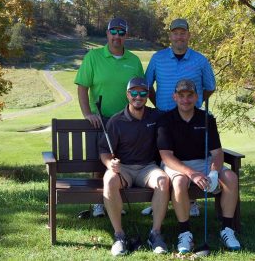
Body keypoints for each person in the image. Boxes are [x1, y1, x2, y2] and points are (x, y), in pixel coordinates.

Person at [143, 18, 216, 217]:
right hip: (164, 115)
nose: (179, 36)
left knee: (187, 155)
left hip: (189, 116)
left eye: (182, 32)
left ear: (188, 35)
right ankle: (158, 199)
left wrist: (194, 102)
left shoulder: (200, 60)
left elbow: (210, 87)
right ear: (170, 36)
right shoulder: (158, 58)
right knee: (160, 156)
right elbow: (147, 85)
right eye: (175, 33)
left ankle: (191, 201)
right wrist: (157, 103)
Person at [157, 79, 241, 253]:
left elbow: (217, 153)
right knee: (179, 183)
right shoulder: (166, 120)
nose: (185, 100)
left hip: (204, 163)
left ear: (196, 97)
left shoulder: (207, 119)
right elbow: (166, 156)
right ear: (175, 97)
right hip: (176, 164)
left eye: (190, 95)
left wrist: (214, 173)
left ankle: (227, 229)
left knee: (231, 177)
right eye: (181, 96)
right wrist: (191, 174)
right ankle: (185, 232)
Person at [75, 17, 144, 218]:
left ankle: (115, 201)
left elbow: (140, 89)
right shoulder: (93, 57)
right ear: (107, 34)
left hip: (126, 121)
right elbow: (82, 87)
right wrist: (87, 113)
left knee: (121, 163)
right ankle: (98, 203)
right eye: (113, 32)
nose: (117, 36)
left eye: (121, 33)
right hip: (102, 119)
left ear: (126, 36)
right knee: (100, 164)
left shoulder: (133, 60)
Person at [99, 77, 170, 256]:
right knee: (109, 180)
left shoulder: (156, 116)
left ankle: (155, 234)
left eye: (143, 93)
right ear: (127, 94)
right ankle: (119, 236)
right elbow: (104, 151)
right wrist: (110, 164)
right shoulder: (116, 121)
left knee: (163, 180)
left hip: (148, 168)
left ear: (147, 95)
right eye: (134, 93)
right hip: (124, 169)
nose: (138, 96)